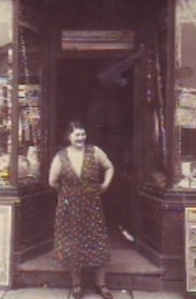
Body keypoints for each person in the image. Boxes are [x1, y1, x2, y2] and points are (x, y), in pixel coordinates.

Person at [48, 120, 115, 299]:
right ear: (69, 137)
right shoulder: (61, 157)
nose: (81, 138)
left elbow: (109, 167)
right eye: (77, 134)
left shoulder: (95, 152)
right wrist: (68, 194)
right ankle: (76, 285)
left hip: (92, 205)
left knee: (98, 242)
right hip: (70, 208)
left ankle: (101, 285)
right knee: (74, 244)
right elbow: (52, 182)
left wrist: (105, 184)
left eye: (83, 134)